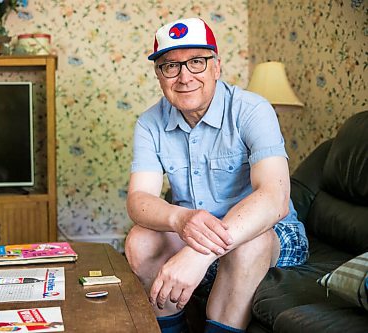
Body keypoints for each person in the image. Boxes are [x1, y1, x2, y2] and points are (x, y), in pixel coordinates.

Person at [125, 17, 309, 333]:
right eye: (170, 66)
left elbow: (274, 198)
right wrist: (181, 220)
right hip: (196, 231)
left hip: (273, 232)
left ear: (216, 67)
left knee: (246, 245)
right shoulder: (149, 123)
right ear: (159, 76)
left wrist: (202, 251)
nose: (184, 77)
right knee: (140, 240)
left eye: (196, 62)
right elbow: (138, 199)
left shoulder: (253, 109)